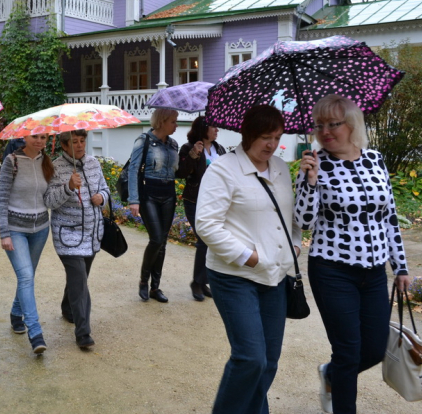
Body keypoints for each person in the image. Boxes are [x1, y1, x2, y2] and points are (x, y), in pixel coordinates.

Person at [294, 94, 410, 414]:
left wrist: (400, 266)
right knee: (348, 351)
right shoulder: (314, 164)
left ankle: (330, 375)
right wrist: (309, 182)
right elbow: (304, 222)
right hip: (332, 269)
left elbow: (389, 216)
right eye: (319, 125)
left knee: (373, 348)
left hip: (373, 272)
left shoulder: (375, 159)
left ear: (351, 124)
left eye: (334, 124)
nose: (326, 131)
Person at [195, 104, 301, 414]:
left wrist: (295, 244)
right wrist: (249, 257)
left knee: (268, 361)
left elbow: (288, 215)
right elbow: (206, 225)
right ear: (248, 135)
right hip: (234, 277)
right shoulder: (223, 170)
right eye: (266, 137)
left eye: (277, 137)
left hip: (276, 276)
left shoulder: (280, 167)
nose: (272, 144)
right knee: (250, 358)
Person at [44, 130, 110, 349]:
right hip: (68, 235)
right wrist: (68, 187)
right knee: (80, 281)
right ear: (64, 145)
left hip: (92, 233)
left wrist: (102, 198)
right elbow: (49, 201)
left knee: (78, 280)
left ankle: (67, 308)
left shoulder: (93, 163)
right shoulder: (54, 167)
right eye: (74, 142)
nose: (80, 145)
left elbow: (105, 189)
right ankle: (83, 333)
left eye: (82, 141)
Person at [0, 133, 53, 355]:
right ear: (25, 138)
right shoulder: (12, 161)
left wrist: (68, 186)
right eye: (35, 137)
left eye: (43, 137)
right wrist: (4, 233)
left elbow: (49, 198)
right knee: (26, 277)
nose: (39, 141)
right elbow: (1, 198)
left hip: (40, 229)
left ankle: (15, 313)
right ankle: (35, 332)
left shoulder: (46, 161)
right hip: (16, 229)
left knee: (27, 276)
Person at [128, 108, 179, 303]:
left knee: (163, 242)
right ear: (162, 121)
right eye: (173, 121)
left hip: (169, 195)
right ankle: (143, 280)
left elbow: (177, 171)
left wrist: (192, 154)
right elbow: (133, 169)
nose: (175, 125)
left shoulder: (173, 144)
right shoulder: (144, 141)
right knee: (156, 239)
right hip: (149, 194)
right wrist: (134, 199)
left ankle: (155, 287)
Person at [176, 116, 226, 302]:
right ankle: (197, 282)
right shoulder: (188, 148)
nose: (217, 129)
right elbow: (180, 173)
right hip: (195, 200)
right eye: (213, 126)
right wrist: (193, 155)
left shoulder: (218, 149)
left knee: (211, 241)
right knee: (203, 240)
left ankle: (202, 282)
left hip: (216, 201)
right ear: (204, 128)